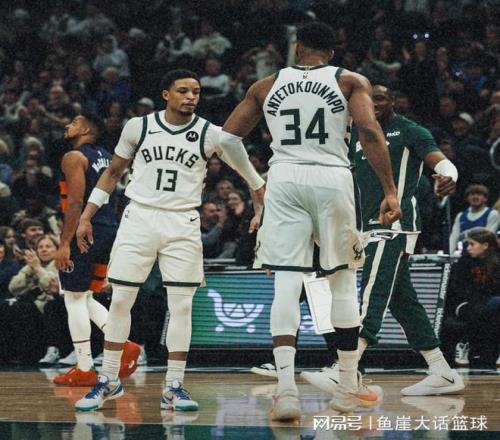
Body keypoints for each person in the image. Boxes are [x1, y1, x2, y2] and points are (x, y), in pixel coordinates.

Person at [220, 23, 401, 419]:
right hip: (332, 177)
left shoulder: (266, 85)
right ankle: (347, 387)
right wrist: (390, 189)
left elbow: (226, 139)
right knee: (342, 281)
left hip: (284, 177)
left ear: (297, 46)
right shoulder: (349, 81)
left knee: (286, 284)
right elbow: (370, 132)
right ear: (333, 52)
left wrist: (255, 183)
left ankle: (286, 392)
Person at [73, 69, 265, 412]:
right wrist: (86, 215)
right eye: (183, 91)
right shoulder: (139, 126)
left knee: (182, 306)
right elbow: (113, 173)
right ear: (166, 94)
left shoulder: (210, 132)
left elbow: (250, 175)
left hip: (183, 221)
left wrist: (260, 204)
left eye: (196, 91)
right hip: (139, 216)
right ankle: (109, 378)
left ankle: (174, 385)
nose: (191, 97)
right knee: (120, 300)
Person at [301, 84, 465, 397]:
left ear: (393, 102)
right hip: (364, 228)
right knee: (403, 301)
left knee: (372, 293)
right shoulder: (354, 135)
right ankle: (442, 371)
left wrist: (449, 176)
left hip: (395, 225)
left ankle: (344, 370)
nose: (373, 104)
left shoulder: (410, 131)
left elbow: (440, 161)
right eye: (367, 99)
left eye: (379, 98)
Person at [52, 112, 140, 387]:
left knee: (73, 298)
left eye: (74, 121)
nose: (68, 124)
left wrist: (64, 243)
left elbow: (75, 202)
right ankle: (124, 344)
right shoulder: (106, 157)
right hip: (108, 228)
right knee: (85, 296)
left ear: (86, 129)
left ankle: (85, 367)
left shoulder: (73, 157)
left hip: (85, 229)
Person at [443, 229, 500, 368]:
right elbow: (458, 290)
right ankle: (464, 343)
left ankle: (465, 344)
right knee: (483, 310)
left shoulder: (497, 262)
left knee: (494, 305)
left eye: (472, 244)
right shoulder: (464, 262)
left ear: (485, 246)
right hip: (464, 303)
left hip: (489, 302)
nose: (468, 248)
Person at [449, 184, 499, 255]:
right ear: (467, 198)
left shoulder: (492, 214)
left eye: (479, 194)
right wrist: (450, 254)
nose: (475, 197)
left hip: (485, 256)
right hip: (466, 255)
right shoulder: (460, 216)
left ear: (485, 198)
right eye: (472, 194)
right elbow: (454, 238)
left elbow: (488, 236)